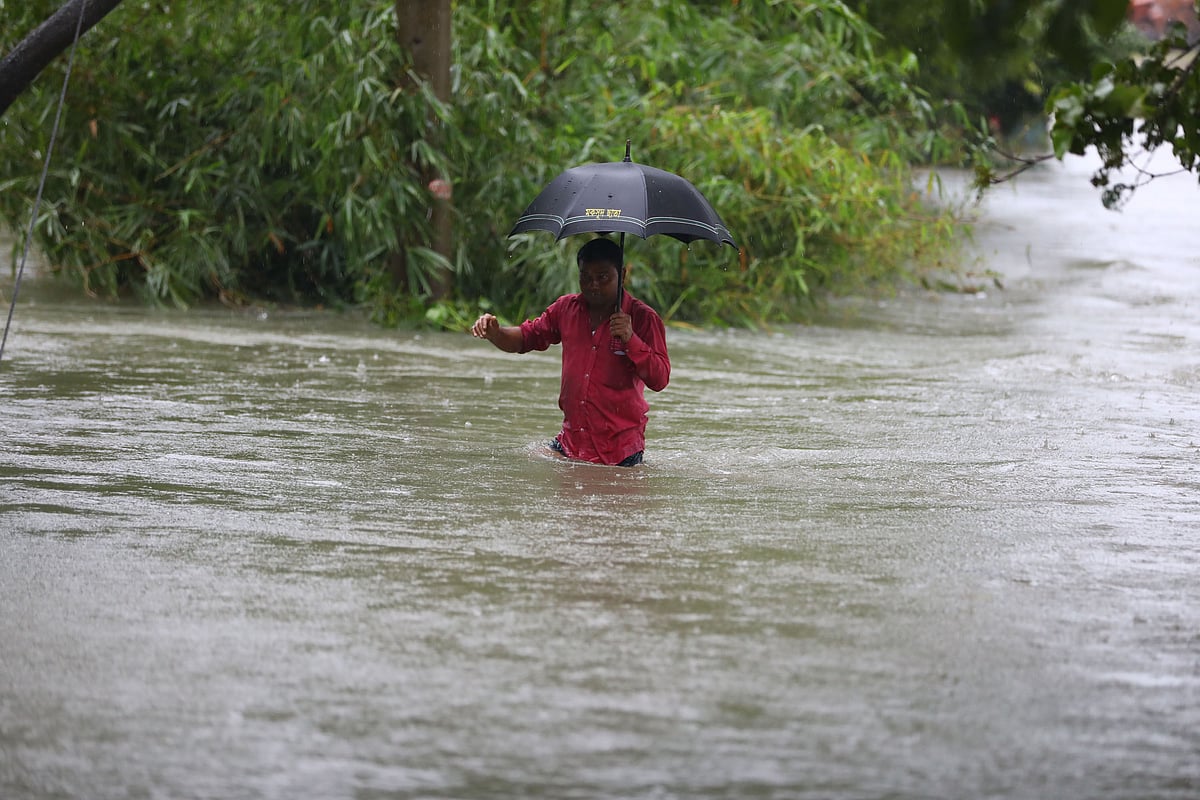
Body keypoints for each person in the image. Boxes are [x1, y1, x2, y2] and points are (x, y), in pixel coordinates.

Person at [471, 237, 670, 467]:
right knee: (526, 463)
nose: (593, 285)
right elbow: (526, 338)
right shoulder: (566, 309)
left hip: (620, 453)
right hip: (570, 443)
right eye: (586, 278)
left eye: (603, 277)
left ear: (622, 275)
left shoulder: (643, 318)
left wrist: (630, 339)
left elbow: (660, 378)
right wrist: (496, 333)